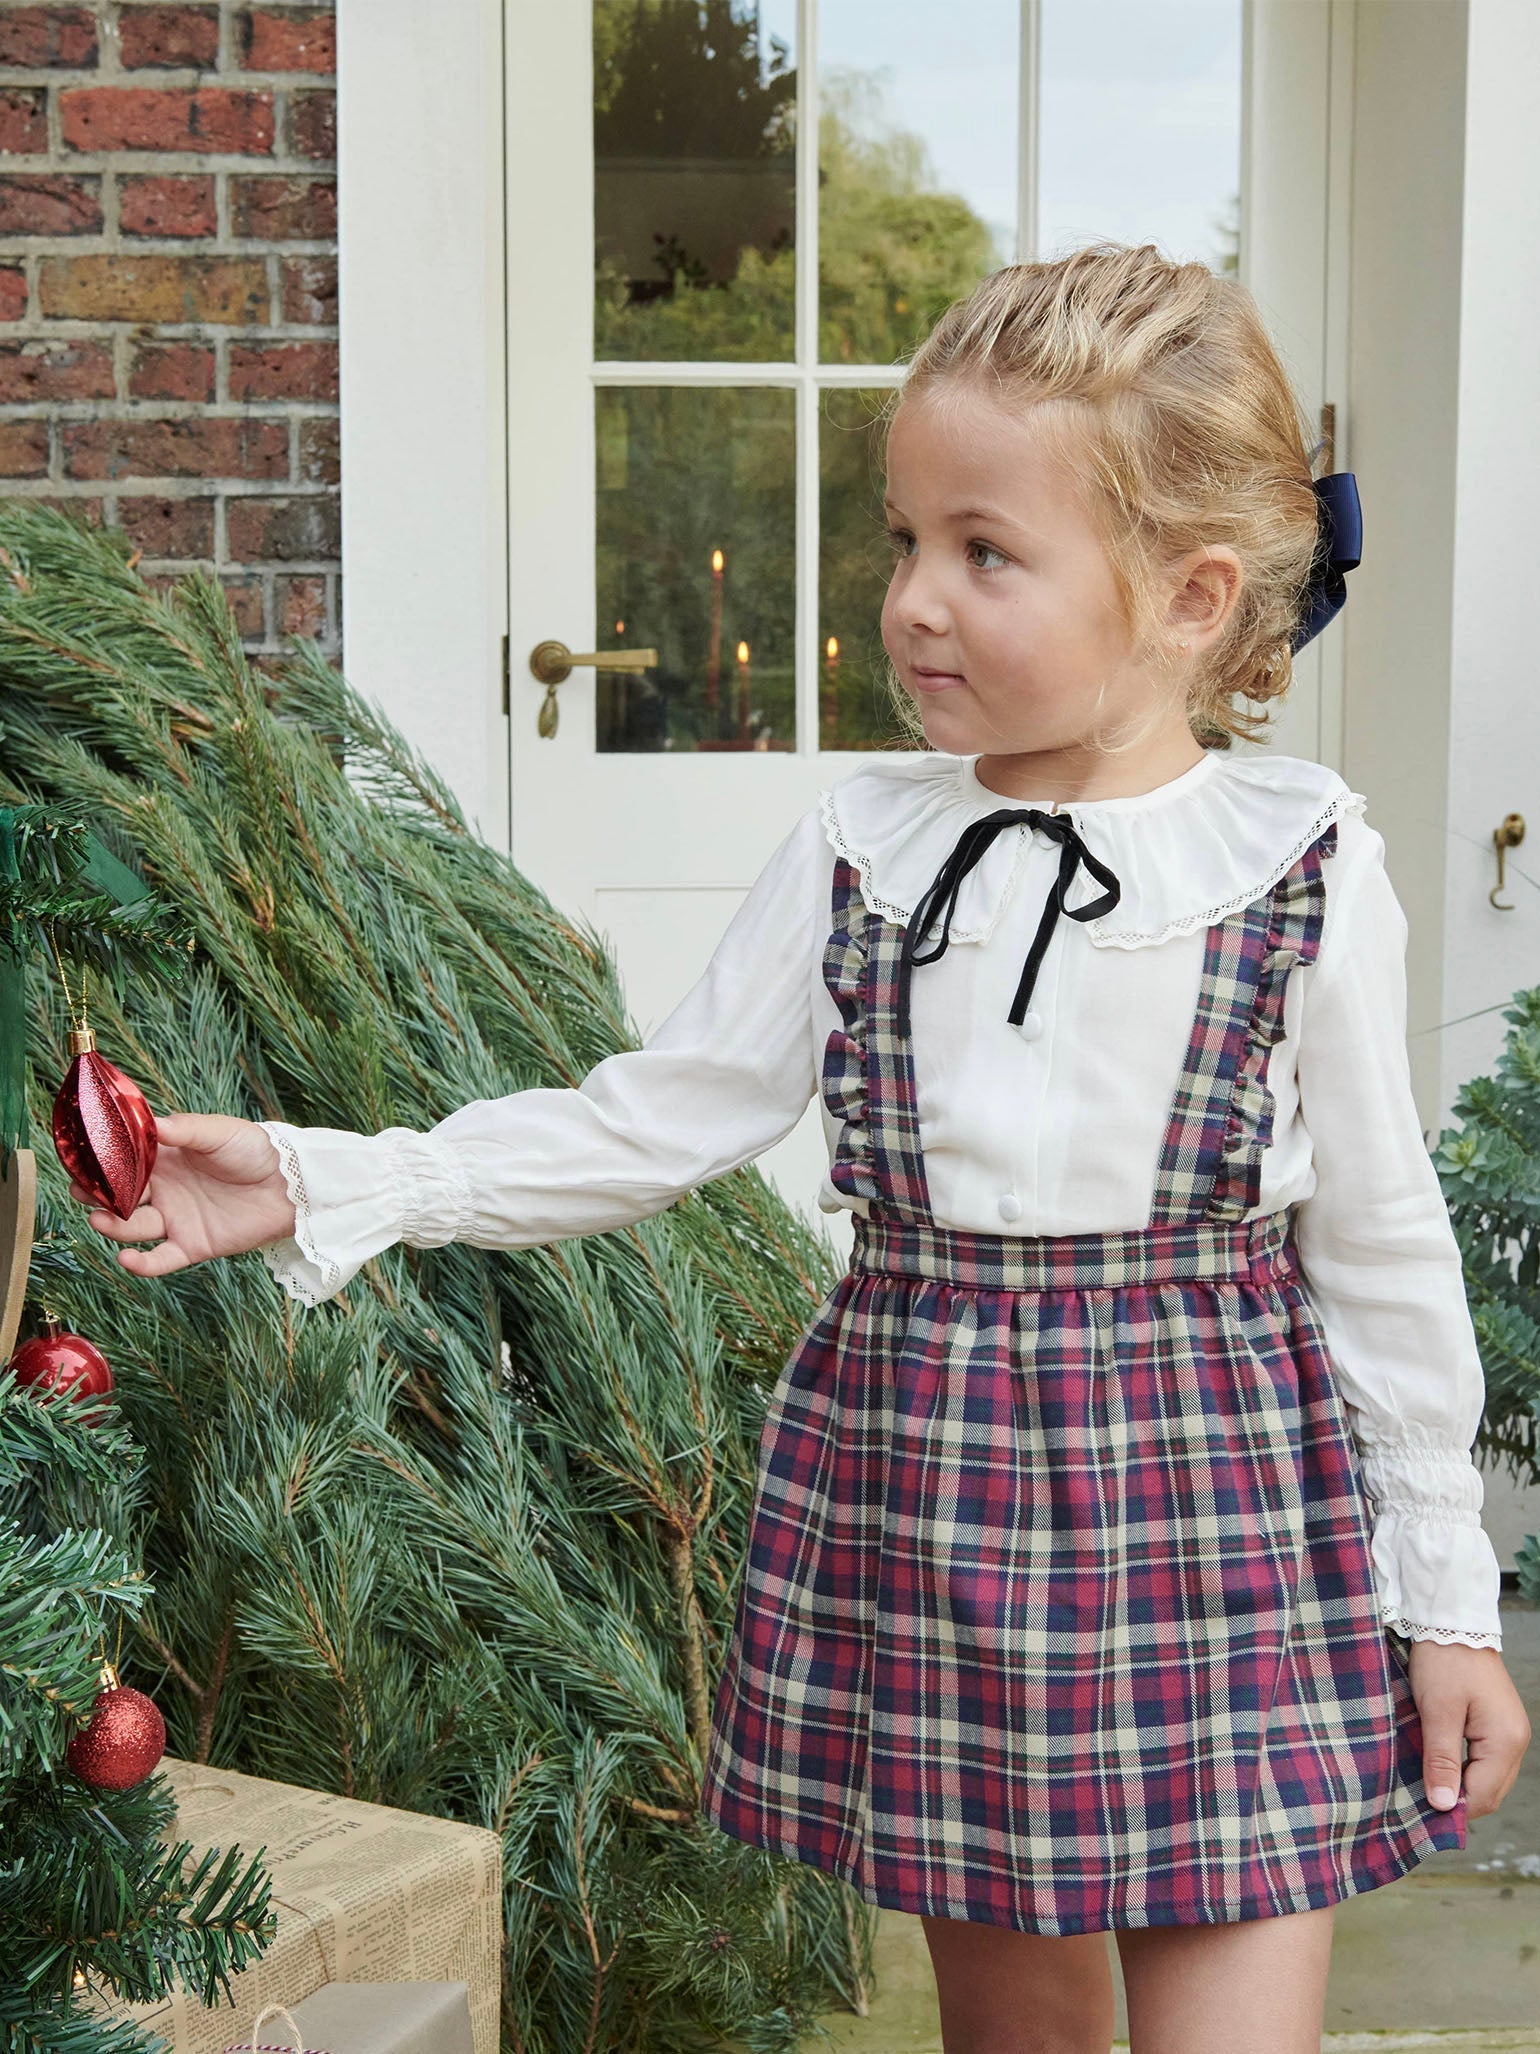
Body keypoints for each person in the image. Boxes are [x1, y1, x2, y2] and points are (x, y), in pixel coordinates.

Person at [70, 243, 1529, 2054]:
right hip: (935, 1503)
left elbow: (1384, 1257)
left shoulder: (1301, 864)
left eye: (985, 552)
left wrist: (1448, 1605)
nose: (913, 599)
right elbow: (650, 1115)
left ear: (1189, 594)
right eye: (904, 539)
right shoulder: (864, 847)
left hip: (1217, 1511)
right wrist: (327, 1177)